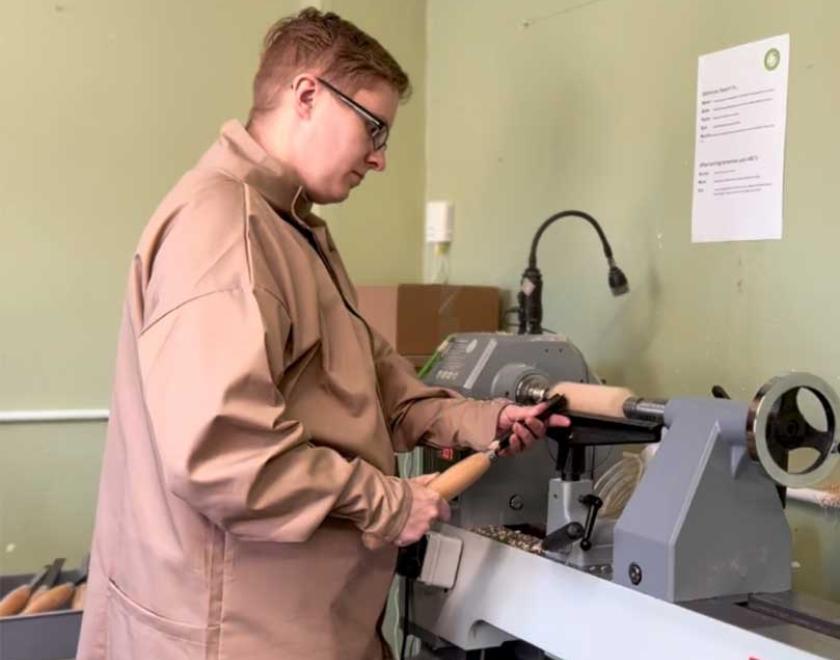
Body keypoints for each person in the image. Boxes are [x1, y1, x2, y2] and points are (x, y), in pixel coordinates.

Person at [77, 8, 568, 660]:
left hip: (302, 618)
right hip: (239, 633)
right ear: (307, 95)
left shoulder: (287, 226)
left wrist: (481, 419)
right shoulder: (224, 230)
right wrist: (389, 504)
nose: (380, 158)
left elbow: (364, 375)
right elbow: (226, 453)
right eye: (373, 127)